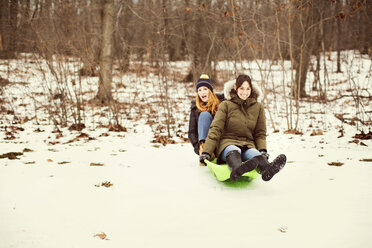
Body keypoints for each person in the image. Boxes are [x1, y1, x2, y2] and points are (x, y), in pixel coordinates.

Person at [199, 74, 286, 181]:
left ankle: (267, 169)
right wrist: (206, 152)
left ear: (251, 89)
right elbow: (216, 128)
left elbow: (260, 133)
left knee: (255, 154)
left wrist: (262, 150)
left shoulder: (258, 108)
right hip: (227, 144)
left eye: (247, 89)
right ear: (236, 88)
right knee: (234, 149)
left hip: (248, 144)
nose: (244, 92)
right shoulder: (226, 105)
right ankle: (236, 168)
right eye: (241, 88)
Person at [188, 74, 224, 163]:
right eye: (199, 90)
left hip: (220, 141)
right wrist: (198, 148)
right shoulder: (195, 108)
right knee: (204, 115)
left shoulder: (221, 103)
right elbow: (191, 132)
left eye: (205, 89)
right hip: (205, 146)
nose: (202, 92)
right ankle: (205, 151)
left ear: (210, 91)